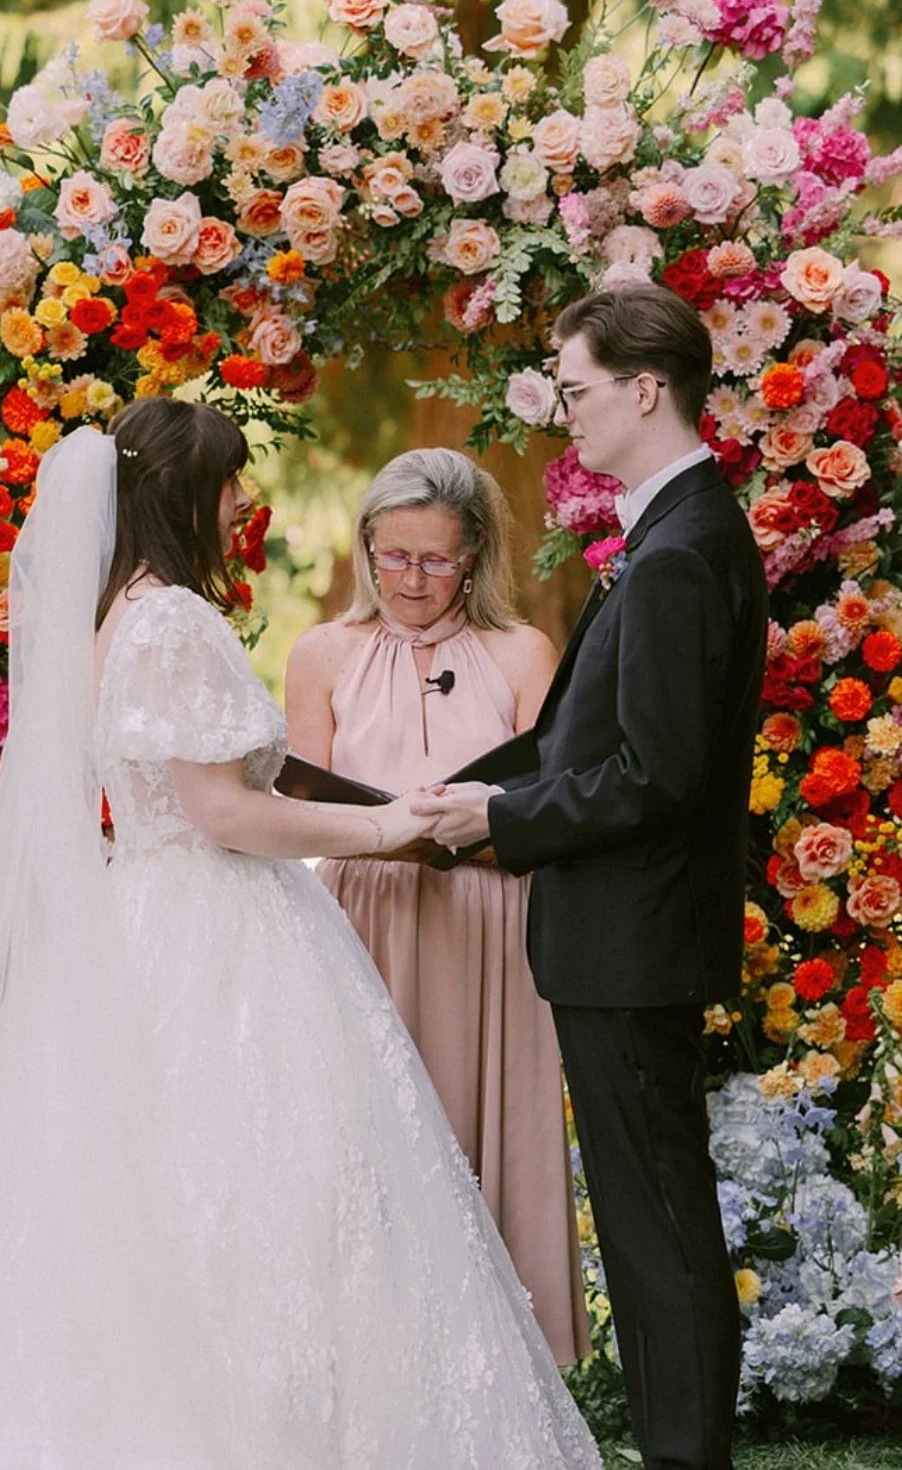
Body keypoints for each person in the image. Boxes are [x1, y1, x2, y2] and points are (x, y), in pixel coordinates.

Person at [0, 402, 601, 1470]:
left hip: (154, 915)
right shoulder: (174, 622)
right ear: (183, 494)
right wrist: (388, 826)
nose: (245, 499)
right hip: (221, 925)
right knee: (255, 1181)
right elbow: (225, 813)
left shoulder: (114, 614)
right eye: (231, 480)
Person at [415, 285, 769, 1470]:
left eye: (575, 390)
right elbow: (593, 738)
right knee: (649, 1210)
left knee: (656, 1218)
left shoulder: (679, 554)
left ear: (644, 389)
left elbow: (656, 774)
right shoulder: (679, 532)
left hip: (633, 932)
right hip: (630, 929)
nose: (564, 413)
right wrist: (466, 791)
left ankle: (684, 1453)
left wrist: (502, 817)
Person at [285, 448, 590, 1368]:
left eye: (435, 560)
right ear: (366, 548)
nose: (411, 580)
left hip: (487, 918)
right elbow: (302, 807)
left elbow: (554, 804)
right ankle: (375, 1356)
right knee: (372, 1132)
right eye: (393, 556)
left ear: (476, 556)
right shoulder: (321, 654)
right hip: (365, 917)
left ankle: (502, 1366)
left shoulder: (522, 653)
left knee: (483, 1127)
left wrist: (475, 829)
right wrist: (383, 831)